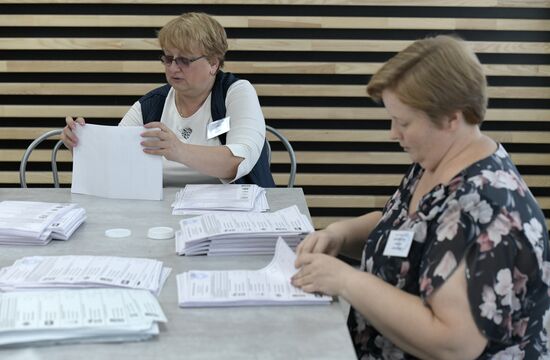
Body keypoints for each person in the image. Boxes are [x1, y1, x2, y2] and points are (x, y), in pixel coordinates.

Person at [291, 35, 550, 359]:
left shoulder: (488, 209)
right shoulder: (436, 161)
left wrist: (347, 281)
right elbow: (405, 224)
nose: (393, 133)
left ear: (452, 118)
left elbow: (454, 343)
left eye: (404, 122)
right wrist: (339, 235)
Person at [61, 12, 275, 187]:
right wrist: (84, 147)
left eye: (184, 60)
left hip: (233, 211)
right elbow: (117, 162)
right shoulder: (150, 105)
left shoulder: (236, 93)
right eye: (168, 58)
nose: (173, 68)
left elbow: (237, 161)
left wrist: (179, 150)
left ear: (213, 64)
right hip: (160, 210)